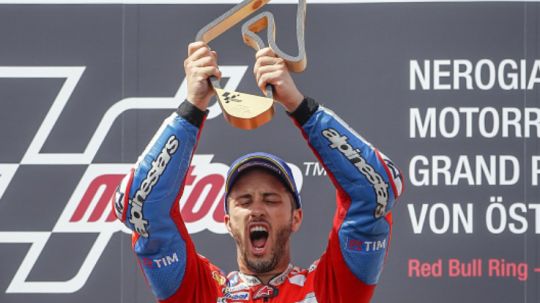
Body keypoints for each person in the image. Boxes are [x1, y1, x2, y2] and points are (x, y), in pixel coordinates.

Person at [113, 41, 404, 303]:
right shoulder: (202, 293)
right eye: (244, 200)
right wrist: (193, 107)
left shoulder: (330, 290)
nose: (257, 210)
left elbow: (377, 191)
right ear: (227, 221)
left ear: (296, 217)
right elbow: (139, 207)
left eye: (271, 199)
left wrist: (299, 106)